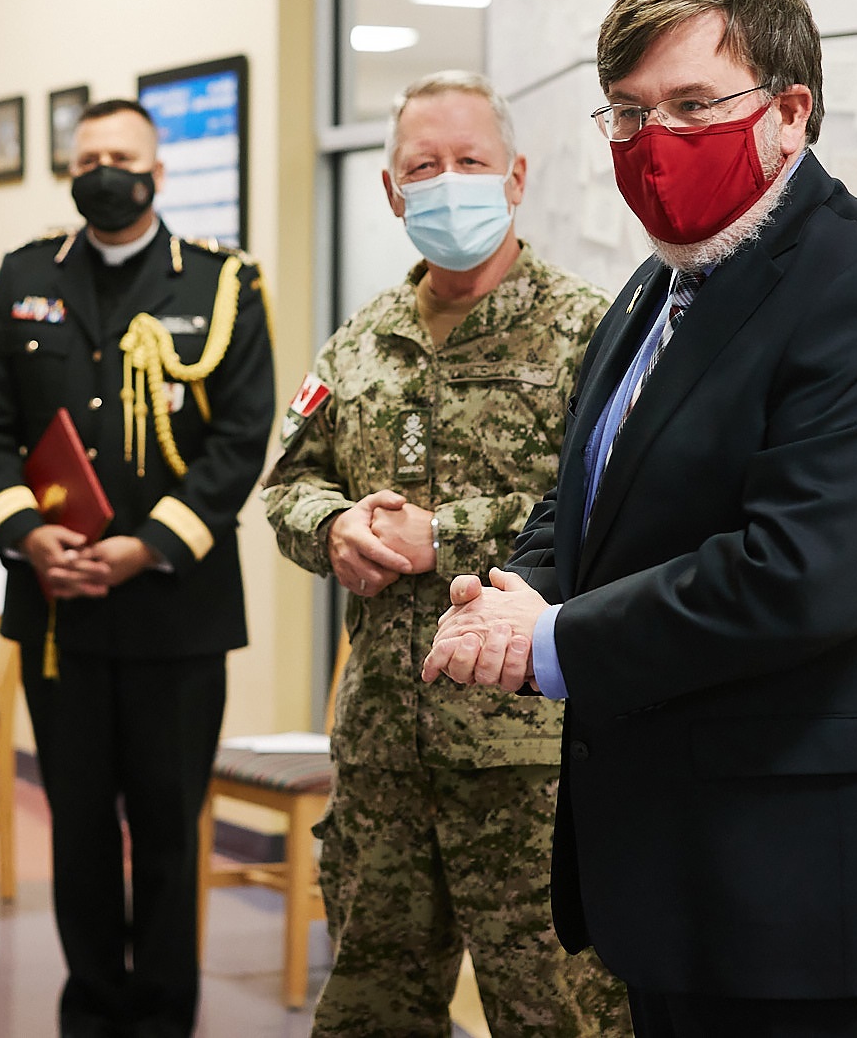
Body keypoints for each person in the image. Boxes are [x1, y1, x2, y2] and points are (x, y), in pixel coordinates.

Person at [422, 0, 857, 1037]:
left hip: (810, 889)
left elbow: (798, 577)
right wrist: (513, 590)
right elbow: (589, 497)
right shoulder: (661, 279)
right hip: (679, 869)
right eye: (628, 113)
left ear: (788, 112)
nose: (653, 143)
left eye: (692, 106)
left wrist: (548, 642)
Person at [262, 71, 627, 1038]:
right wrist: (334, 524)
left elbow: (614, 516)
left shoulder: (590, 331)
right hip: (386, 752)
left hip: (530, 764)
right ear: (392, 190)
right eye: (425, 165)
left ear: (513, 176)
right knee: (370, 1015)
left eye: (470, 161)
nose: (449, 182)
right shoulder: (361, 342)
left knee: (557, 1020)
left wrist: (449, 536)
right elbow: (286, 485)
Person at [0, 99, 276, 1038]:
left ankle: (165, 1017)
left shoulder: (220, 285)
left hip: (176, 613)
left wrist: (149, 546)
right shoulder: (25, 278)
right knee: (82, 829)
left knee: (170, 833)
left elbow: (240, 439)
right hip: (60, 615)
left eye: (123, 158)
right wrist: (24, 530)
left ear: (158, 173)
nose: (105, 171)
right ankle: (91, 1012)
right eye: (89, 156)